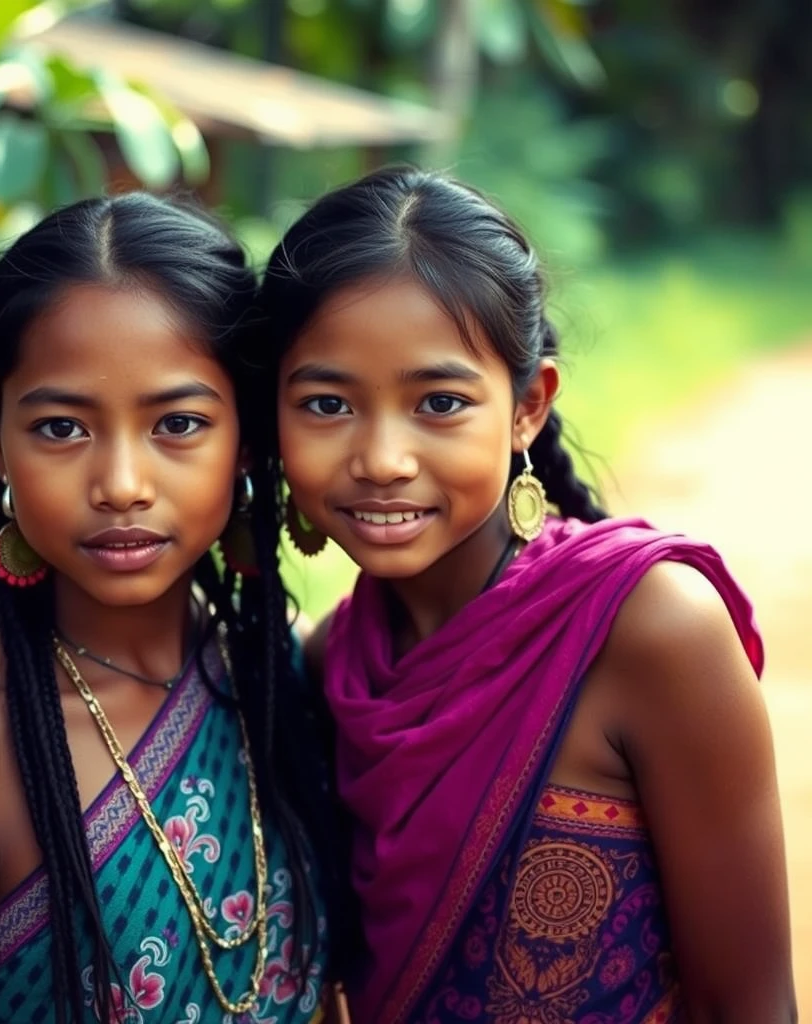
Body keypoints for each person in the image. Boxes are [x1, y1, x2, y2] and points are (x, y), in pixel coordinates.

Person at [257, 167, 796, 1024]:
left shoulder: (651, 630)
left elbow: (751, 1003)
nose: (383, 458)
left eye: (439, 402)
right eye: (326, 403)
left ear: (526, 408)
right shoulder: (331, 667)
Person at [0, 193, 338, 1024]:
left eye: (177, 422)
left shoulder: (291, 678)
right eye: (63, 428)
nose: (121, 485)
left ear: (247, 437)